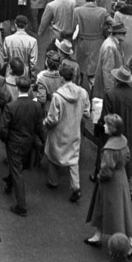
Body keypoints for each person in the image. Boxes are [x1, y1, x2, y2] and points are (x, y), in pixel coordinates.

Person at [85, 115, 132, 256]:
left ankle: (128, 243)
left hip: (110, 183)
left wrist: (100, 176)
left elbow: (106, 169)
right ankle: (98, 235)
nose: (104, 126)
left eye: (107, 125)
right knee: (121, 209)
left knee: (114, 212)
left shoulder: (110, 148)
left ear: (112, 129)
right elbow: (127, 157)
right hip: (121, 178)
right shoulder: (123, 141)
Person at [44, 63, 91, 202]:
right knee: (73, 159)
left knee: (53, 156)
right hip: (75, 132)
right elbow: (87, 113)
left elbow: (52, 119)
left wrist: (45, 123)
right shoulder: (83, 93)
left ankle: (53, 181)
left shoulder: (57, 97)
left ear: (62, 77)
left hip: (59, 133)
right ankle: (76, 187)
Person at [0, 75, 46, 216]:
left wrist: (6, 140)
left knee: (17, 171)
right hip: (29, 142)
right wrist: (43, 141)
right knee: (17, 166)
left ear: (18, 88)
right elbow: (40, 126)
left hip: (14, 142)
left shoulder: (11, 106)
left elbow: (3, 129)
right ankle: (9, 182)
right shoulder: (37, 106)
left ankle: (21, 205)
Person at [100, 66, 132, 195]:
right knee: (127, 157)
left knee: (111, 155)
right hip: (129, 129)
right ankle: (130, 187)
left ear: (116, 79)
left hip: (113, 130)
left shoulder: (110, 94)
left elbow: (105, 116)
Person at [72, 0, 109, 90]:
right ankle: (92, 91)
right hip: (97, 43)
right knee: (93, 71)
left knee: (80, 68)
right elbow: (112, 23)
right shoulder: (103, 11)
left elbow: (73, 28)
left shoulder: (77, 11)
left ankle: (77, 89)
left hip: (82, 42)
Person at [92, 21, 127, 97]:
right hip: (109, 90)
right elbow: (108, 72)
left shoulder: (114, 43)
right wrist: (110, 93)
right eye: (122, 33)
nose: (125, 35)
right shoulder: (110, 47)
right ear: (116, 34)